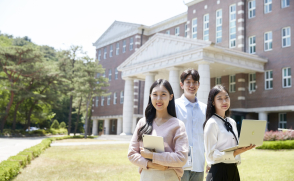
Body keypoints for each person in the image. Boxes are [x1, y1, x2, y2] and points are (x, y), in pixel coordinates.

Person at [128, 79, 189, 181]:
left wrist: (152, 156)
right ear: (150, 96)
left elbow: (181, 158)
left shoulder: (178, 125)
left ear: (171, 97)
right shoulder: (142, 123)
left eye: (163, 94)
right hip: (147, 176)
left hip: (169, 177)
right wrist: (151, 164)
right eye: (155, 94)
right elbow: (132, 154)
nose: (159, 98)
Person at [203, 85, 255, 181]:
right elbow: (210, 154)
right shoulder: (211, 123)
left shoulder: (232, 122)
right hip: (218, 172)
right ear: (213, 102)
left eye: (226, 97)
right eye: (220, 99)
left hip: (233, 169)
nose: (224, 101)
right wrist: (234, 153)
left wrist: (244, 146)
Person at [175, 68, 208, 181]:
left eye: (194, 82)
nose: (191, 85)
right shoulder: (174, 106)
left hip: (199, 164)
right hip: (180, 164)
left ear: (199, 84)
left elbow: (207, 137)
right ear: (181, 84)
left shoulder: (205, 109)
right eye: (188, 82)